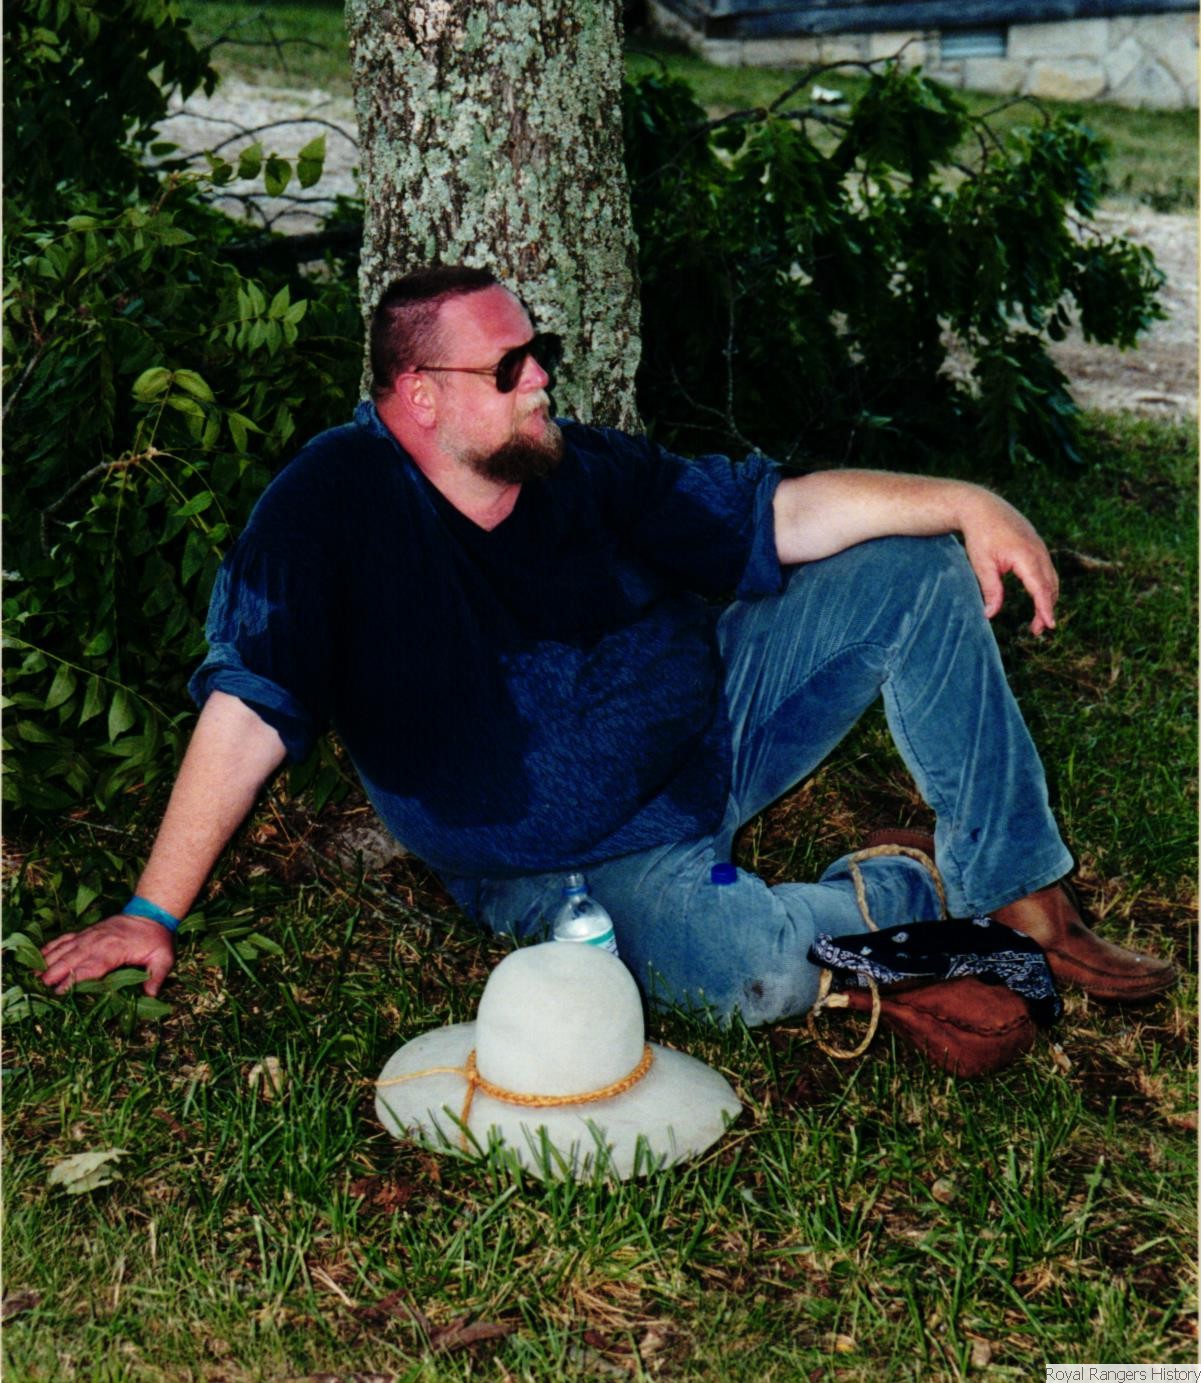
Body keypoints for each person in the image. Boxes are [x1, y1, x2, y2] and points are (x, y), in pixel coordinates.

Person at [40, 265, 1176, 1038]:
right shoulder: (327, 509)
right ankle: (900, 890)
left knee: (915, 565)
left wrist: (965, 499)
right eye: (508, 368)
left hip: (716, 727)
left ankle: (1018, 893)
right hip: (568, 861)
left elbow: (777, 512)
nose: (540, 378)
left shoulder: (574, 463)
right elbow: (249, 707)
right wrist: (152, 912)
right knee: (747, 977)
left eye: (537, 353)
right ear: (419, 397)